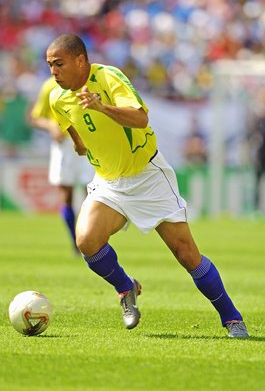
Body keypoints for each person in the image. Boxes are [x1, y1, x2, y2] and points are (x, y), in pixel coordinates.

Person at [46, 33, 249, 338]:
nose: (53, 72)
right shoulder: (56, 98)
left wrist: (102, 108)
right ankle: (126, 288)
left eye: (59, 64)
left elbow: (140, 119)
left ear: (80, 60)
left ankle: (232, 319)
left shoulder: (109, 77)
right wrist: (79, 145)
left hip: (147, 175)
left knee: (186, 254)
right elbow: (73, 130)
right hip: (110, 183)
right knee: (87, 241)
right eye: (49, 65)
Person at [30, 76, 94, 254]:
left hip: (87, 142)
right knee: (68, 195)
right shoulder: (49, 85)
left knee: (92, 193)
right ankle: (75, 243)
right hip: (64, 146)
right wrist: (52, 127)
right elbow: (36, 117)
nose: (56, 69)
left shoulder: (87, 82)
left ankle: (91, 239)